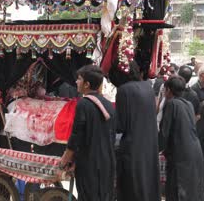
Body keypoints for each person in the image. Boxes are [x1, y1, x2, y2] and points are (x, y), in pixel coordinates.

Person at [60, 65, 115, 200]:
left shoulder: (83, 104)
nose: (76, 82)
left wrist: (65, 160)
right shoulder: (109, 105)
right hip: (107, 163)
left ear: (87, 84)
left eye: (79, 79)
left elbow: (76, 136)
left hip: (89, 164)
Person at [109, 61, 161, 201]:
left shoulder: (124, 90)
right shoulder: (147, 86)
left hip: (132, 146)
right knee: (147, 182)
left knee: (131, 187)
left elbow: (121, 125)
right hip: (149, 144)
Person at [159, 76, 204, 201]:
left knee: (178, 189)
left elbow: (165, 132)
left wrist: (157, 149)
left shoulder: (172, 104)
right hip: (194, 149)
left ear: (168, 90)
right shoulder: (188, 103)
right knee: (191, 189)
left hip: (181, 152)